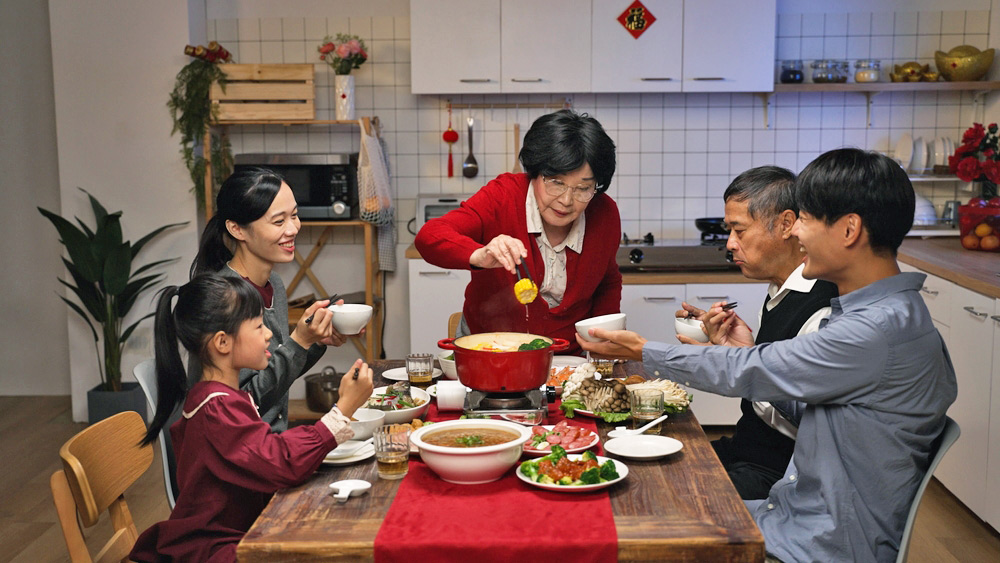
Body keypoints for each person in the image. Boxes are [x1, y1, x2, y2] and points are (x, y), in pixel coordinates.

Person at [578, 148, 957, 563]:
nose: (797, 234)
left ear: (849, 230)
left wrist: (642, 350)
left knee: (631, 521)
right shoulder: (890, 313)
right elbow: (813, 403)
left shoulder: (875, 330)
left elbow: (755, 369)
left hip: (818, 543)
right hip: (788, 512)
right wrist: (747, 355)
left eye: (806, 219)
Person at [130, 274, 373, 562]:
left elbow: (265, 452)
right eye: (258, 326)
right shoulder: (216, 410)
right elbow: (281, 461)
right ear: (223, 342)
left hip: (244, 531)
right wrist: (341, 411)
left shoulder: (222, 398)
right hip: (217, 550)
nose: (269, 334)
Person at [676, 166, 838, 500]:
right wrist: (741, 355)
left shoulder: (822, 309)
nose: (730, 244)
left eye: (739, 230)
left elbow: (812, 424)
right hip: (746, 451)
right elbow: (770, 378)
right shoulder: (781, 289)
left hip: (782, 476)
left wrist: (739, 364)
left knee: (671, 493)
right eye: (729, 230)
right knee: (658, 462)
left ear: (786, 224)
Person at [415, 109, 622, 355]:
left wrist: (603, 343)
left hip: (568, 356)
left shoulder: (605, 213)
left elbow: (607, 281)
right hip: (488, 348)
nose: (567, 200)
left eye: (583, 188)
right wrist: (480, 255)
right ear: (535, 172)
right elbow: (429, 236)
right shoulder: (502, 196)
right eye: (556, 182)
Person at [191, 166, 349, 431]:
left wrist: (313, 341)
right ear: (237, 229)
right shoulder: (225, 299)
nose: (293, 228)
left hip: (270, 439)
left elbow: (273, 377)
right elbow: (244, 404)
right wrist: (299, 342)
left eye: (294, 215)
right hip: (243, 445)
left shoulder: (273, 283)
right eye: (278, 221)